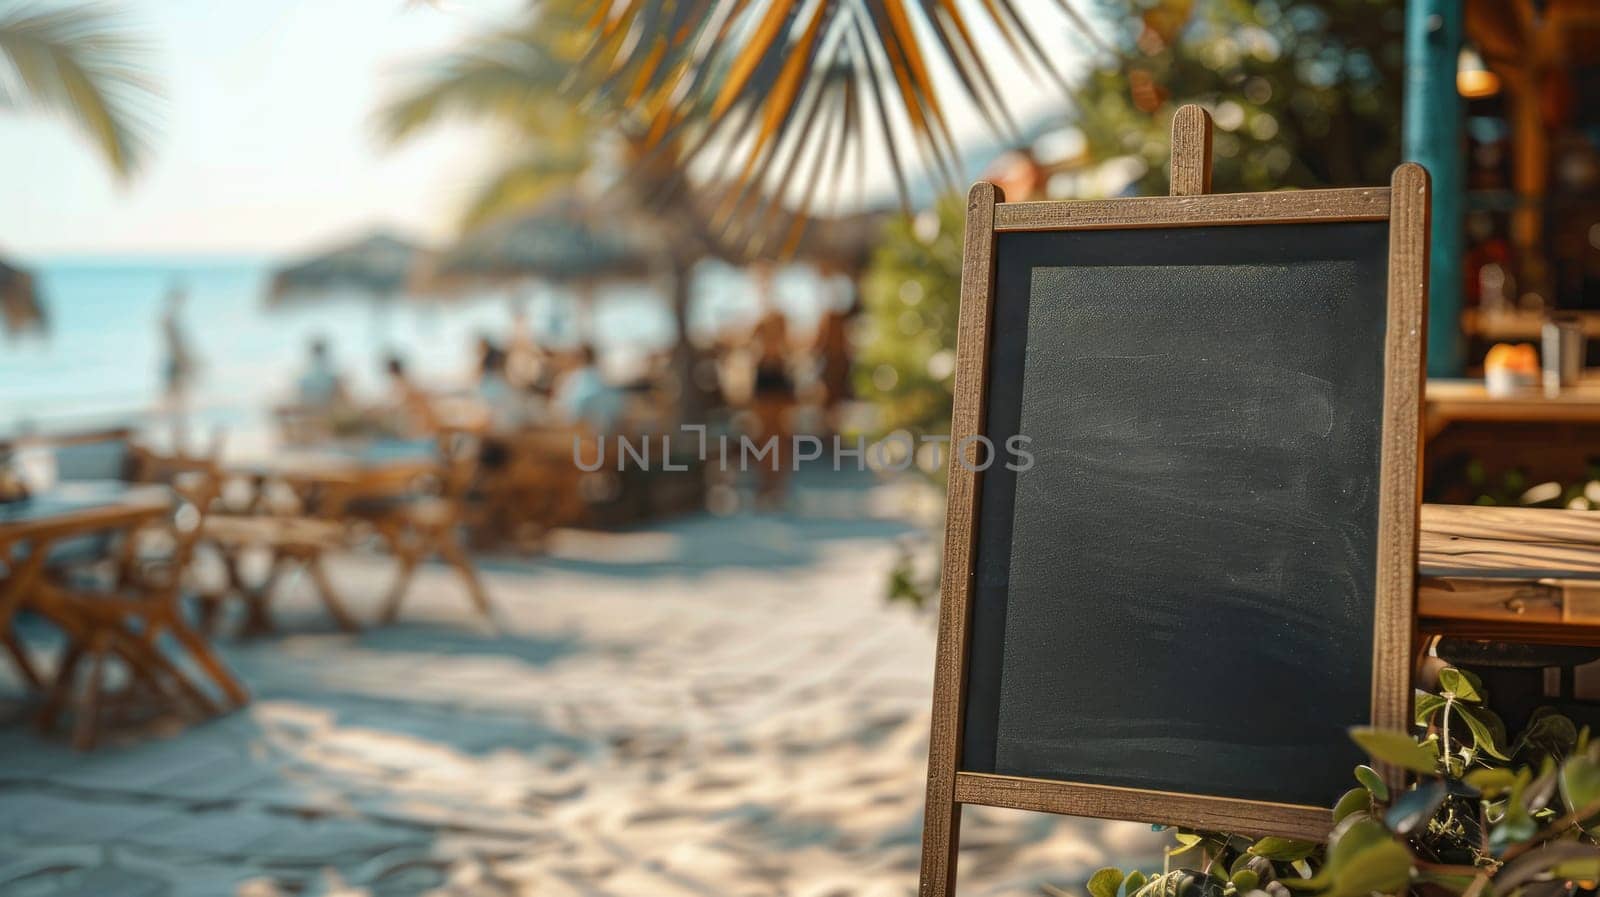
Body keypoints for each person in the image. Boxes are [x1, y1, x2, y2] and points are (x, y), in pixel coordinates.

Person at [746, 267, 796, 504]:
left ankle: (776, 484)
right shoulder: (765, 318)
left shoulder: (775, 317)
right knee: (767, 434)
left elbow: (785, 347)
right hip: (768, 375)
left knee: (778, 433)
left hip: (774, 375)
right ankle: (769, 483)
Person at [159, 281, 199, 446]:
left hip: (175, 367)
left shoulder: (169, 318)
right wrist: (190, 366)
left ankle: (179, 442)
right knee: (177, 407)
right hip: (176, 368)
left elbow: (179, 346)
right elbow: (177, 347)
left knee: (177, 407)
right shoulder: (169, 319)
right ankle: (179, 443)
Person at [553, 344, 623, 435]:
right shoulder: (601, 379)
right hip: (595, 431)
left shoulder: (571, 378)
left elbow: (564, 409)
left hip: (577, 430)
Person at [384, 355, 439, 436]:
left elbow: (399, 405)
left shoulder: (403, 385)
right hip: (418, 426)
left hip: (417, 428)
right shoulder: (406, 383)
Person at [295, 337, 348, 409]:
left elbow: (300, 397)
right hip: (328, 411)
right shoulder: (331, 376)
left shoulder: (304, 377)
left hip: (311, 410)